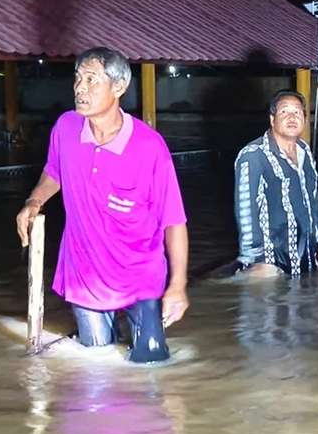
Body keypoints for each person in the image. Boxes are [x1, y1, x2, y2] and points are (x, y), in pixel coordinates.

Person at [17, 47, 189, 361]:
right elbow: (55, 170)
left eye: (92, 80)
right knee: (97, 368)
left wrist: (177, 285)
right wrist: (34, 201)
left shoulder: (150, 147)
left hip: (140, 275)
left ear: (119, 87)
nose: (80, 88)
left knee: (152, 365)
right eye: (78, 78)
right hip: (85, 274)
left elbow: (173, 220)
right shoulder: (66, 128)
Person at [233, 90, 318, 276]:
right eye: (284, 112)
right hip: (270, 263)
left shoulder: (305, 151)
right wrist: (255, 259)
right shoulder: (253, 155)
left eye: (297, 112)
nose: (292, 117)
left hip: (305, 256)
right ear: (272, 119)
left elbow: (313, 200)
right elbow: (245, 210)